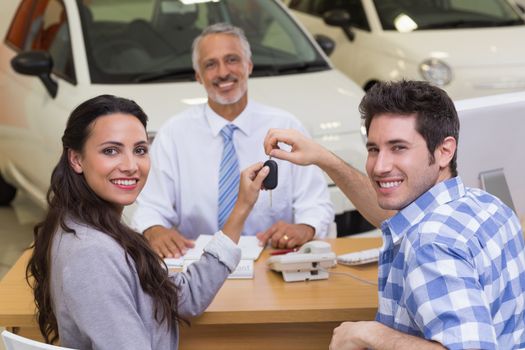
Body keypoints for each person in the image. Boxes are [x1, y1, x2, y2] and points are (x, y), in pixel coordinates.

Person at [264, 80, 525, 349]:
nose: (380, 166)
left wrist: (370, 334)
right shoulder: (489, 206)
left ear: (445, 150)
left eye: (398, 147)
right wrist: (324, 158)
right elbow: (397, 221)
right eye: (373, 149)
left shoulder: (430, 244)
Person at [26, 95, 269, 349]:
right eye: (111, 151)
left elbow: (182, 298)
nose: (131, 166)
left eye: (140, 150)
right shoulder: (93, 254)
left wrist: (242, 206)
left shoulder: (86, 224)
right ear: (76, 159)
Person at [132, 23, 334, 258]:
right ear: (198, 75)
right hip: (197, 264)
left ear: (249, 65)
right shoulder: (173, 134)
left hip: (272, 261)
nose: (222, 72)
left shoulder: (286, 127)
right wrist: (154, 230)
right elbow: (151, 207)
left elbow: (316, 202)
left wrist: (306, 226)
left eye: (232, 60)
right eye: (210, 64)